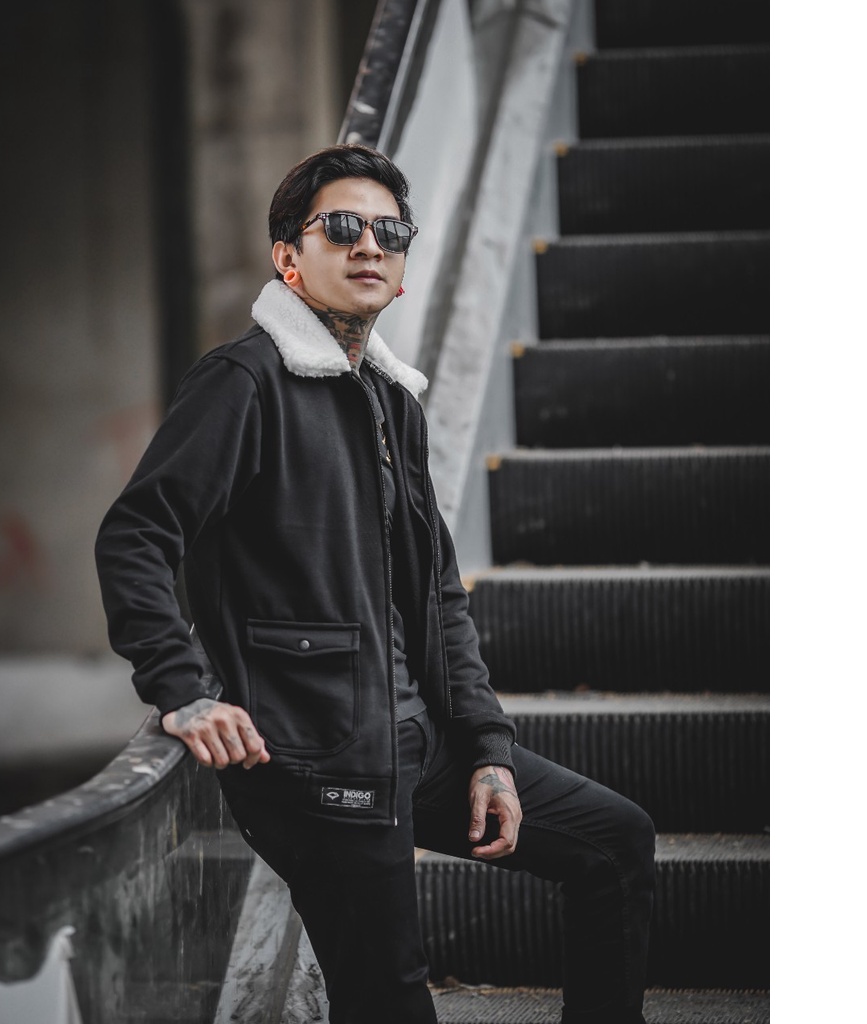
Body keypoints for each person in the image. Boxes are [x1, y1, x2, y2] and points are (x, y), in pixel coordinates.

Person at [95, 144, 655, 1024]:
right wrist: (182, 689)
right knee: (390, 1001)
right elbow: (136, 535)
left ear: (401, 268)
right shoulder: (243, 384)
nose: (369, 245)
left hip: (417, 746)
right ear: (289, 258)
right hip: (317, 762)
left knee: (615, 842)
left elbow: (439, 596)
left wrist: (489, 750)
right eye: (342, 227)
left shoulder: (392, 401)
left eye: (389, 232)